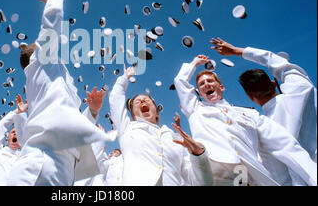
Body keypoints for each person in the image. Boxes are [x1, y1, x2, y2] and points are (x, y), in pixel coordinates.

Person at [7, 0, 116, 186]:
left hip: (63, 168)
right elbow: (52, 22)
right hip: (42, 163)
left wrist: (92, 112)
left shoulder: (57, 84)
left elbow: (69, 123)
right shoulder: (41, 63)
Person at [173, 54, 317, 186]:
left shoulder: (249, 114)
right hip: (216, 173)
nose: (206, 85)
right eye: (202, 84)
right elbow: (180, 81)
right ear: (199, 93)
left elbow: (285, 145)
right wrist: (195, 62)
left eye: (210, 81)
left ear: (221, 87)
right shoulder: (194, 109)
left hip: (247, 174)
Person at [108, 65, 214, 186]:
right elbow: (115, 100)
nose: (142, 101)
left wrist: (199, 155)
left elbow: (200, 182)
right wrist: (124, 78)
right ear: (132, 116)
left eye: (147, 100)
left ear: (156, 112)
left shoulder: (176, 139)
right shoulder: (127, 129)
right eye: (137, 102)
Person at [0, 95, 27, 186]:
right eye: (12, 132)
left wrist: (22, 116)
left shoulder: (25, 155)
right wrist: (18, 111)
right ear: (7, 139)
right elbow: (0, 127)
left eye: (17, 132)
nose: (15, 134)